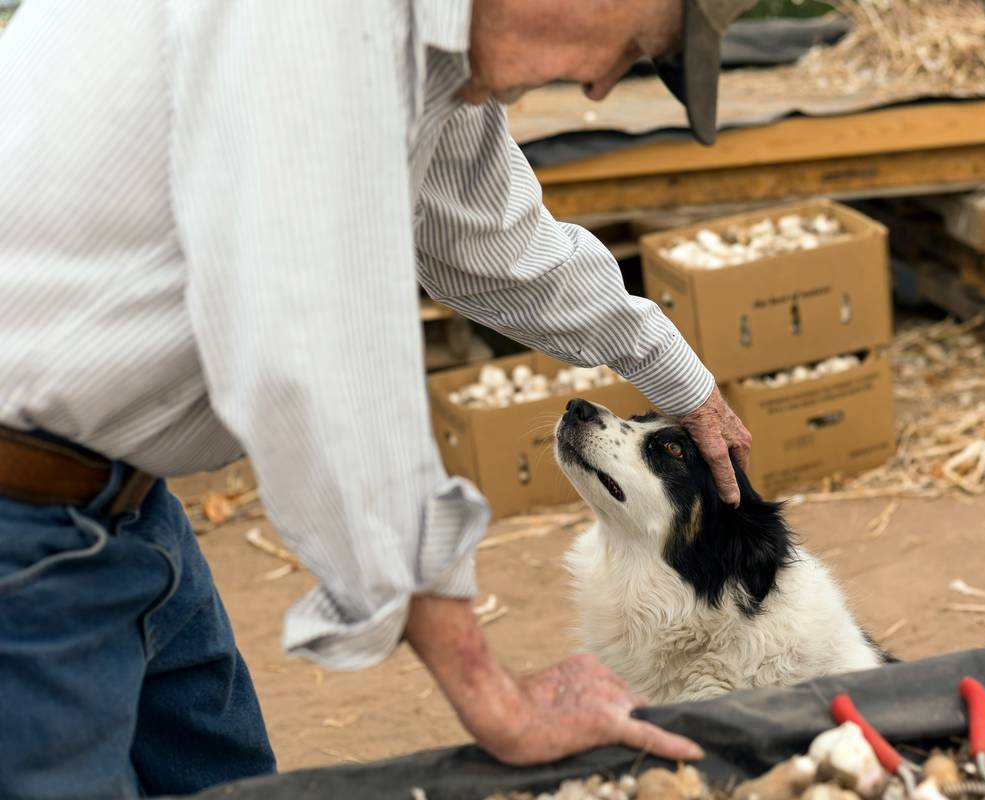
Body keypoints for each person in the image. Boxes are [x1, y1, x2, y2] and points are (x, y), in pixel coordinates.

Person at [0, 0, 755, 797]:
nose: (602, 87)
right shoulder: (320, 19)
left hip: (121, 506)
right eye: (636, 47)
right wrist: (492, 697)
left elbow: (490, 241)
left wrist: (687, 388)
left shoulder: (429, 46)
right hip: (23, 529)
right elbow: (316, 350)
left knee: (227, 781)